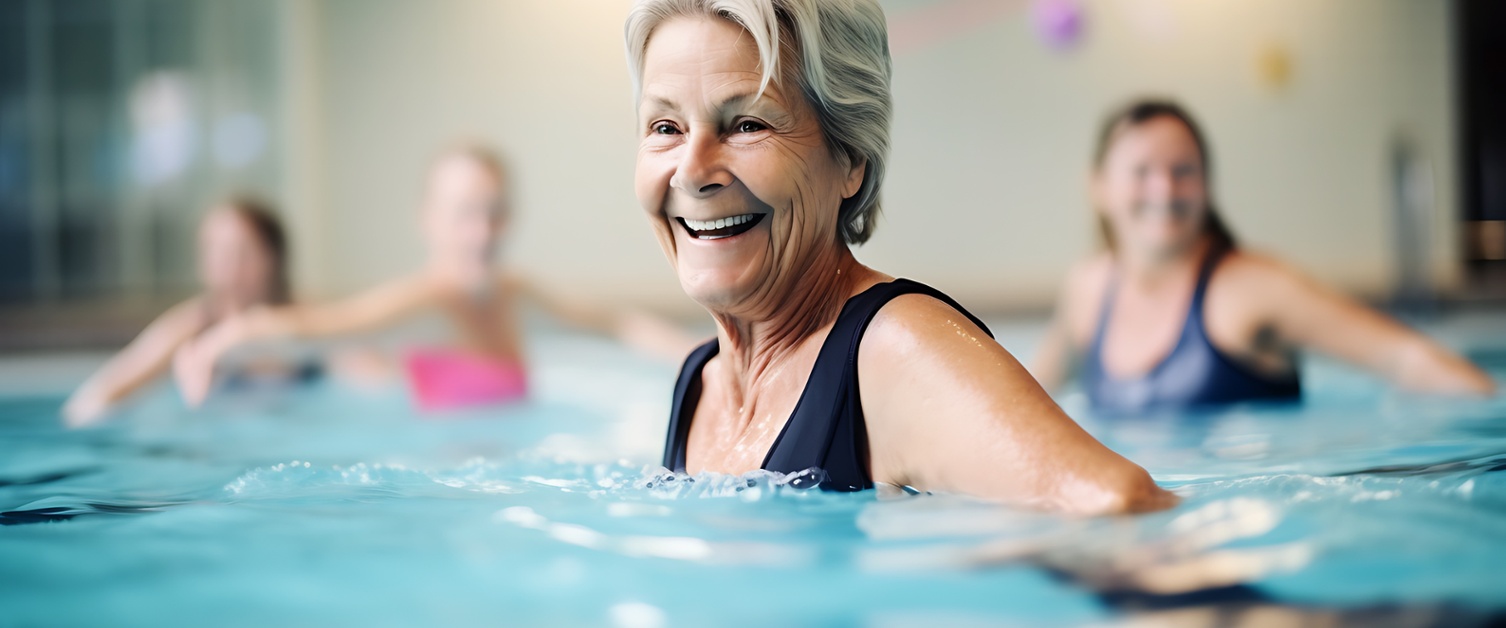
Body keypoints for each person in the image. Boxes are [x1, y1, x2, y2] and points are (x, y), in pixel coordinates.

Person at [624, 0, 1174, 514]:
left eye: (748, 124)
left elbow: (1123, 503)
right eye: (665, 127)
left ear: (850, 160)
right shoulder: (700, 381)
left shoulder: (890, 355)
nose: (693, 173)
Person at [1030, 100, 1496, 413]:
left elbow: (1404, 356)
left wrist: (1488, 433)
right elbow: (1028, 398)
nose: (1165, 189)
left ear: (1207, 187)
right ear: (1099, 187)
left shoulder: (1253, 289)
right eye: (1141, 171)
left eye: (1183, 171)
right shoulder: (1088, 288)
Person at [174, 145, 695, 411]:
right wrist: (217, 343)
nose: (482, 232)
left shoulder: (513, 294)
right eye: (465, 214)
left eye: (494, 213)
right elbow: (313, 326)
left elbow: (617, 324)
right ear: (429, 220)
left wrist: (700, 357)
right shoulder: (424, 303)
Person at [64, 197, 297, 427]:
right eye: (217, 250)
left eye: (242, 251)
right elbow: (96, 396)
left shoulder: (304, 321)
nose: (230, 264)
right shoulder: (192, 326)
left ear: (273, 258)